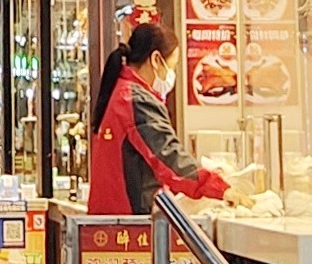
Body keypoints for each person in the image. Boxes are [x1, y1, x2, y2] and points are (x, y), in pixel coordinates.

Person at [86, 22, 233, 216]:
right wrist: (220, 188)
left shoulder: (121, 91)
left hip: (111, 218)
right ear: (156, 60)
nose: (172, 75)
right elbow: (168, 156)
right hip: (129, 221)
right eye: (172, 66)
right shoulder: (136, 100)